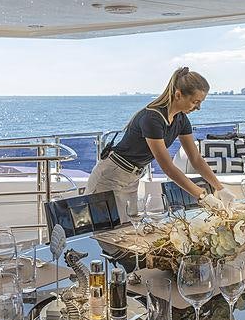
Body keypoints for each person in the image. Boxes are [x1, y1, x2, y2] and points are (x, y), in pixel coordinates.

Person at [85, 67, 235, 213]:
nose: (199, 107)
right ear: (178, 95)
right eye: (195, 102)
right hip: (111, 175)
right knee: (105, 227)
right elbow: (167, 167)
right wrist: (203, 196)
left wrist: (220, 188)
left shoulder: (181, 119)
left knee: (128, 227)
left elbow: (195, 159)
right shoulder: (153, 118)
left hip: (132, 177)